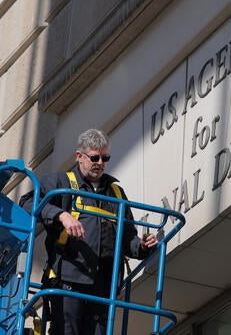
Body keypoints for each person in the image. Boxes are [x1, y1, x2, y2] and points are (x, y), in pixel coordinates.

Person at [20, 128, 158, 335]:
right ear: (80, 156)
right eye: (94, 157)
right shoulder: (61, 183)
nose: (100, 163)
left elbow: (127, 236)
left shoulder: (116, 194)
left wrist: (142, 246)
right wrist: (61, 215)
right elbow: (28, 202)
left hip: (103, 283)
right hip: (68, 280)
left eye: (105, 158)